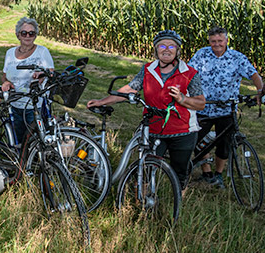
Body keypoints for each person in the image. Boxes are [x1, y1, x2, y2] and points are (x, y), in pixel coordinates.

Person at [87, 30, 205, 186]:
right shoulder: (148, 70)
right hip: (153, 128)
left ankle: (178, 204)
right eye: (162, 45)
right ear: (156, 49)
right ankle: (142, 204)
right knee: (146, 170)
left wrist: (182, 99)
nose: (167, 49)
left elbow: (200, 103)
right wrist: (103, 101)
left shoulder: (189, 73)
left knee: (179, 173)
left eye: (172, 46)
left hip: (182, 131)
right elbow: (131, 89)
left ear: (178, 50)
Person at [188, 25, 264, 188]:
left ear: (226, 40)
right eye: (213, 41)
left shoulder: (237, 58)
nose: (216, 44)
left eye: (220, 41)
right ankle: (207, 173)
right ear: (209, 41)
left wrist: (260, 91)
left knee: (224, 144)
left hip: (226, 109)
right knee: (198, 140)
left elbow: (253, 74)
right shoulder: (201, 54)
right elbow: (188, 73)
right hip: (204, 107)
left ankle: (219, 175)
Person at [1, 17, 54, 145]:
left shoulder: (42, 52)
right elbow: (4, 75)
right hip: (14, 104)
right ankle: (20, 163)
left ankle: (35, 163)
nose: (28, 36)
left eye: (32, 33)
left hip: (34, 105)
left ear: (35, 35)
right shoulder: (10, 53)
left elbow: (51, 73)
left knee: (37, 141)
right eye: (24, 33)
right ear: (18, 35)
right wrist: (6, 82)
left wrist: (41, 75)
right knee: (18, 140)